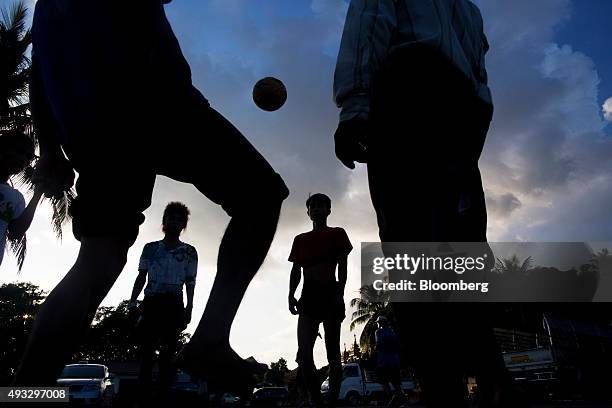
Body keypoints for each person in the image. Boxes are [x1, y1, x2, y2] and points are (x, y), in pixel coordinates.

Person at [16, 0, 289, 388]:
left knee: (97, 260)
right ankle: (210, 339)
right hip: (157, 102)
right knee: (260, 195)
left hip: (92, 131)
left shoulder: (47, 6)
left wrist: (49, 150)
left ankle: (23, 393)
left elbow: (39, 70)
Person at [333, 1, 515, 407]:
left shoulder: (468, 11)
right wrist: (471, 137)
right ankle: (490, 375)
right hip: (459, 115)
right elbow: (479, 77)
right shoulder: (469, 9)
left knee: (412, 248)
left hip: (410, 92)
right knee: (463, 249)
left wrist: (355, 107)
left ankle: (443, 388)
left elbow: (369, 23)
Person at [288, 193, 353, 407]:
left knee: (333, 353)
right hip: (308, 296)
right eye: (312, 206)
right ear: (308, 212)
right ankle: (316, 400)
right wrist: (290, 294)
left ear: (328, 210)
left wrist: (340, 293)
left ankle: (332, 399)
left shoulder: (337, 234)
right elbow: (296, 270)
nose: (316, 209)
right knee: (304, 355)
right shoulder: (300, 239)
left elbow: (342, 267)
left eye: (321, 205)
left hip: (330, 293)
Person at [128, 202, 197, 400]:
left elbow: (190, 282)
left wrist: (189, 308)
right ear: (164, 222)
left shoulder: (189, 252)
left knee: (168, 355)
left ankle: (163, 396)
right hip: (151, 303)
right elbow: (141, 276)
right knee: (147, 353)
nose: (174, 222)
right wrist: (133, 301)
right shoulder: (150, 248)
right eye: (171, 218)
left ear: (183, 225)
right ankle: (143, 396)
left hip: (174, 305)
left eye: (179, 219)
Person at [0, 133, 44, 268]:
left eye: (28, 157)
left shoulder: (16, 197)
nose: (23, 159)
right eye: (19, 151)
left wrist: (38, 194)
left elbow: (15, 232)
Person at [374, 316, 405, 408]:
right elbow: (398, 346)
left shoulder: (378, 332)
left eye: (378, 322)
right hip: (395, 361)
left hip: (384, 361)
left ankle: (393, 398)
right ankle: (402, 402)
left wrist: (375, 349)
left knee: (384, 382)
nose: (377, 324)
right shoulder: (393, 332)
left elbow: (378, 345)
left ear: (381, 323)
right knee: (397, 385)